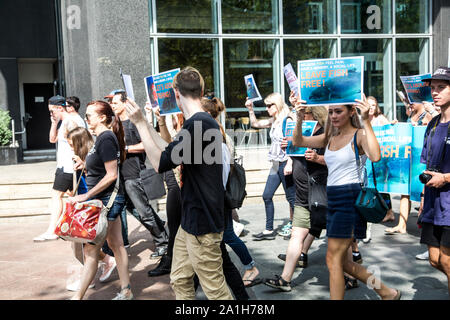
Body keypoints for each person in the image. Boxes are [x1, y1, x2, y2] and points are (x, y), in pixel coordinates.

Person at [126, 67, 233, 300]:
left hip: (203, 224)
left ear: (176, 93)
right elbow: (168, 151)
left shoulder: (199, 125)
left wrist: (140, 124)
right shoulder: (199, 123)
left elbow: (158, 163)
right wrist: (149, 122)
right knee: (180, 279)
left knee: (215, 290)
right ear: (201, 90)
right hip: (192, 220)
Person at [290, 95, 401, 300]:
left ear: (351, 112)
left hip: (349, 198)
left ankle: (386, 292)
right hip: (332, 198)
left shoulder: (358, 134)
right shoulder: (330, 136)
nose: (333, 115)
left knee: (333, 260)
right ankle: (387, 292)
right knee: (342, 262)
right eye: (331, 111)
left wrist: (366, 120)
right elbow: (297, 141)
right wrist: (298, 117)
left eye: (338, 111)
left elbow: (375, 156)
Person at [67, 100, 132, 300]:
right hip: (107, 199)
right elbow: (101, 168)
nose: (86, 119)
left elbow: (112, 174)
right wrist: (85, 163)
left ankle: (78, 296)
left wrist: (86, 195)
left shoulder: (106, 138)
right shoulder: (102, 138)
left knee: (91, 250)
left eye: (89, 115)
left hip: (106, 200)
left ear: (102, 117)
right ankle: (126, 290)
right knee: (116, 245)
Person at [265, 99, 328, 292]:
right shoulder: (300, 130)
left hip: (321, 191)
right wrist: (289, 148)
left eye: (306, 114)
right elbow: (296, 152)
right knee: (296, 234)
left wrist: (318, 158)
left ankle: (351, 274)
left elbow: (339, 161)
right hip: (302, 192)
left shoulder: (326, 133)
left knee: (340, 236)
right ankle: (285, 279)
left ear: (315, 114)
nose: (304, 117)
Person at [202, 96, 261, 288]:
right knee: (223, 235)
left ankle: (250, 267)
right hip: (216, 196)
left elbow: (222, 171)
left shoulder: (218, 137)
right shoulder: (212, 133)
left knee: (227, 234)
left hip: (218, 196)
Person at [110, 90, 169, 258]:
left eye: (115, 102)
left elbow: (146, 144)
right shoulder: (116, 124)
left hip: (133, 175)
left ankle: (163, 242)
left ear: (124, 104)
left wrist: (125, 149)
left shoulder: (132, 123)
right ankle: (162, 231)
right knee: (137, 210)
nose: (112, 105)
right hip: (121, 176)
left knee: (144, 212)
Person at [34, 95, 86, 242]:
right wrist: (54, 123)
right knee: (61, 196)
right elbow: (52, 139)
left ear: (60, 108)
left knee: (57, 195)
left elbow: (81, 143)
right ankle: (58, 228)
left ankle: (53, 230)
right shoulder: (64, 121)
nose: (51, 114)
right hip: (63, 166)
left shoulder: (72, 121)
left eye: (52, 111)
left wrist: (80, 161)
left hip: (70, 167)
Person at [244, 93, 295, 240]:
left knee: (292, 198)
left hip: (285, 162)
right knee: (267, 195)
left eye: (269, 105)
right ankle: (269, 230)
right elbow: (255, 124)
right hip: (275, 164)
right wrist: (250, 110)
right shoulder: (274, 120)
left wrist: (290, 162)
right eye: (266, 105)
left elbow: (293, 142)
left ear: (277, 104)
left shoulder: (288, 118)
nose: (267, 108)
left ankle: (296, 229)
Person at [418, 67, 450, 295]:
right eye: (433, 88)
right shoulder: (433, 123)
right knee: (434, 260)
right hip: (431, 202)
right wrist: (422, 199)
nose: (435, 92)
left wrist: (446, 178)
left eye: (442, 87)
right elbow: (427, 165)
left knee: (447, 261)